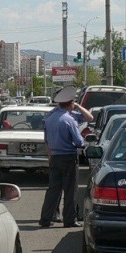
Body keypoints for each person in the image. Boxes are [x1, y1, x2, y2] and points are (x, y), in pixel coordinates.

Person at [39, 85, 93, 228]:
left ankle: (45, 219)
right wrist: (83, 141)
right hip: (68, 157)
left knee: (53, 190)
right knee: (70, 191)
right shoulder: (69, 120)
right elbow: (78, 142)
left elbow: (46, 140)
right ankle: (69, 220)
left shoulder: (50, 118)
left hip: (55, 157)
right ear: (70, 104)